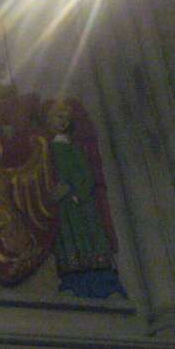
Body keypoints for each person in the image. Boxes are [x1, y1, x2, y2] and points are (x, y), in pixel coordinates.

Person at [45, 100, 127, 299]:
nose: (63, 122)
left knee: (89, 240)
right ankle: (73, 284)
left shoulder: (72, 148)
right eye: (59, 117)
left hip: (80, 206)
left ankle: (107, 286)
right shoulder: (46, 148)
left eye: (66, 119)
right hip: (63, 208)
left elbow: (88, 175)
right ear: (50, 120)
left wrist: (72, 190)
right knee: (69, 243)